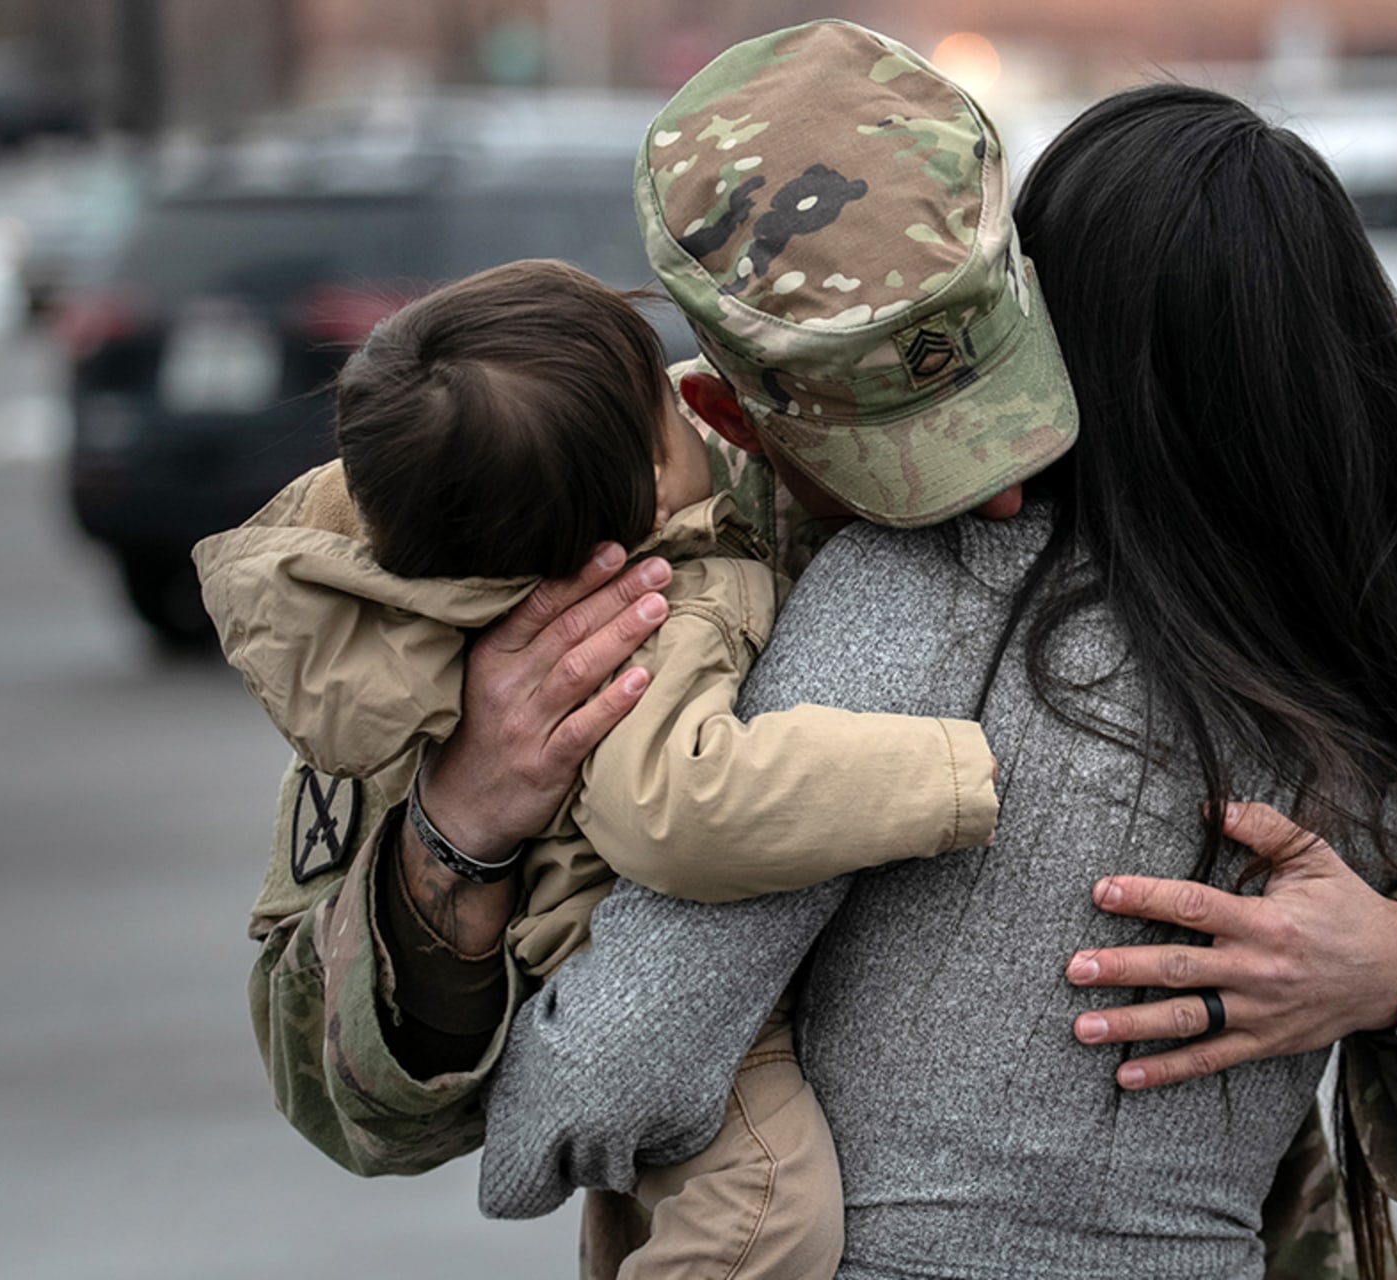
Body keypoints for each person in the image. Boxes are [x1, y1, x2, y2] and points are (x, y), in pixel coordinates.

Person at [239, 22, 1397, 1279]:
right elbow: (357, 1100)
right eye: (906, 457)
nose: (997, 495)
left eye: (1009, 409)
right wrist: (460, 839)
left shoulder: (1203, 496)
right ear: (734, 418)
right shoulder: (553, 536)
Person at [194, 258, 1007, 1276]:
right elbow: (343, 1097)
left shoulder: (592, 444)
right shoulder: (451, 600)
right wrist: (457, 837)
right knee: (767, 1210)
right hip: (707, 1084)